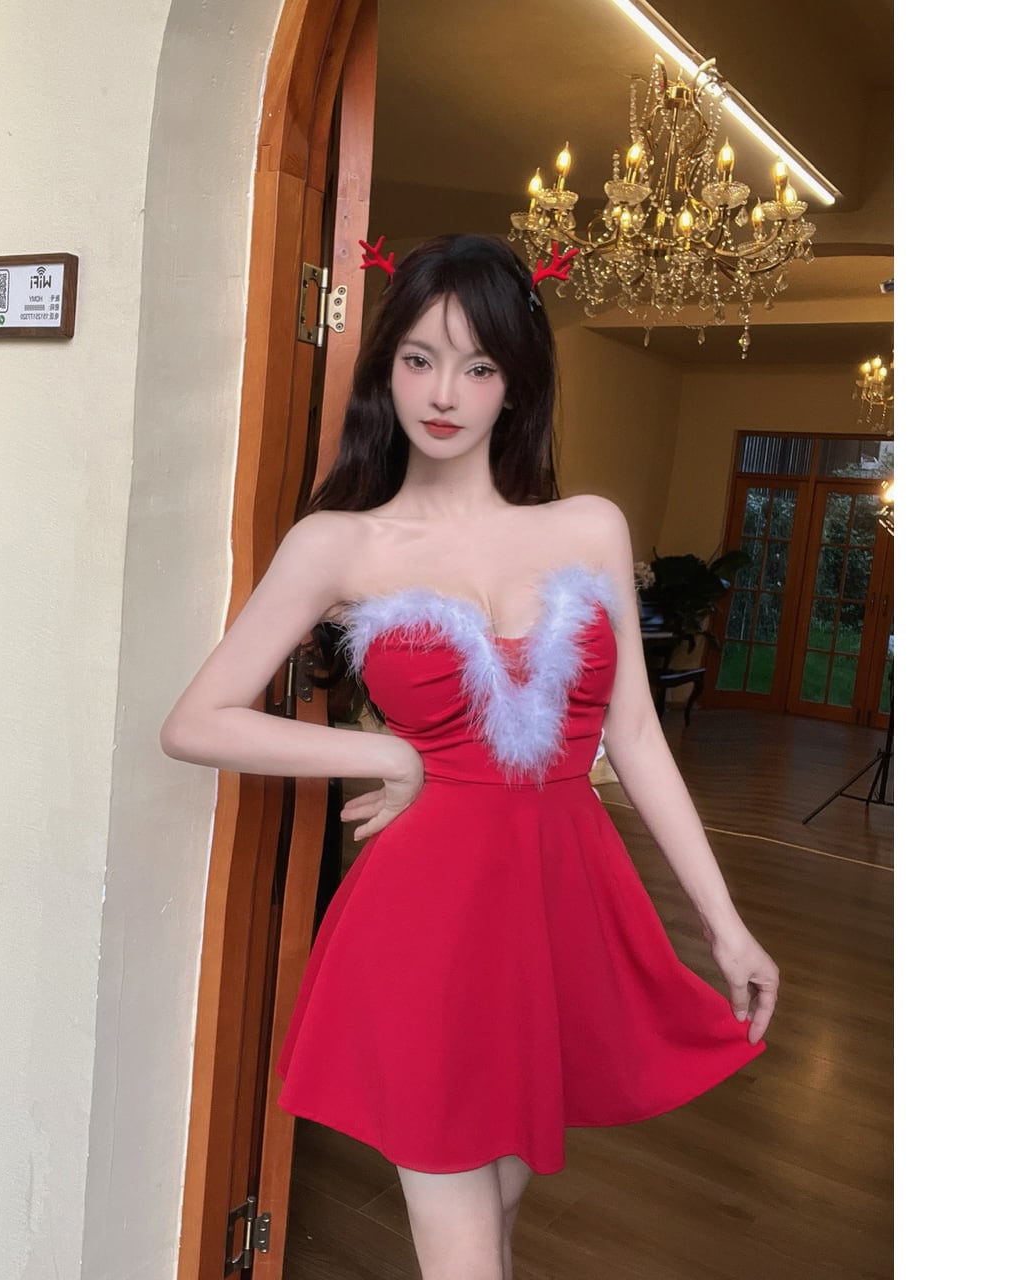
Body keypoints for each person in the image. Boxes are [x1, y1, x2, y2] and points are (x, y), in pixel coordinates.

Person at [161, 233, 779, 1280]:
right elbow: (196, 720)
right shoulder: (339, 544)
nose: (444, 393)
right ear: (386, 368)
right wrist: (392, 756)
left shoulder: (588, 526)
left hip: (562, 902)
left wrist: (724, 926)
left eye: (478, 365)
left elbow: (632, 735)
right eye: (418, 358)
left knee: (498, 1202)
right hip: (425, 917)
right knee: (465, 1247)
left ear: (515, 383)